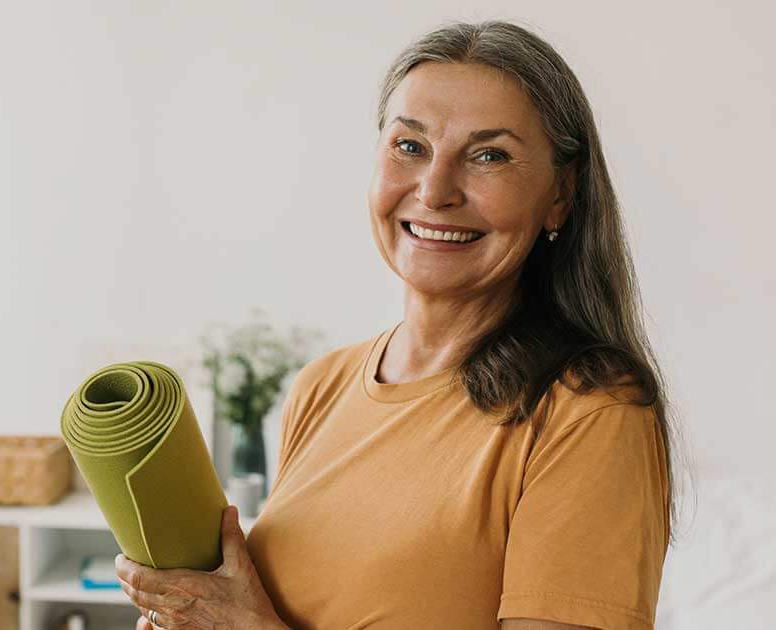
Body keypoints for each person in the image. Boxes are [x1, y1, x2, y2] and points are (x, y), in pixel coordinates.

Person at [116, 19, 686, 630]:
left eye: (489, 155)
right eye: (409, 146)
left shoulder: (589, 412)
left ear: (561, 195)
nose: (435, 189)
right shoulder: (322, 387)